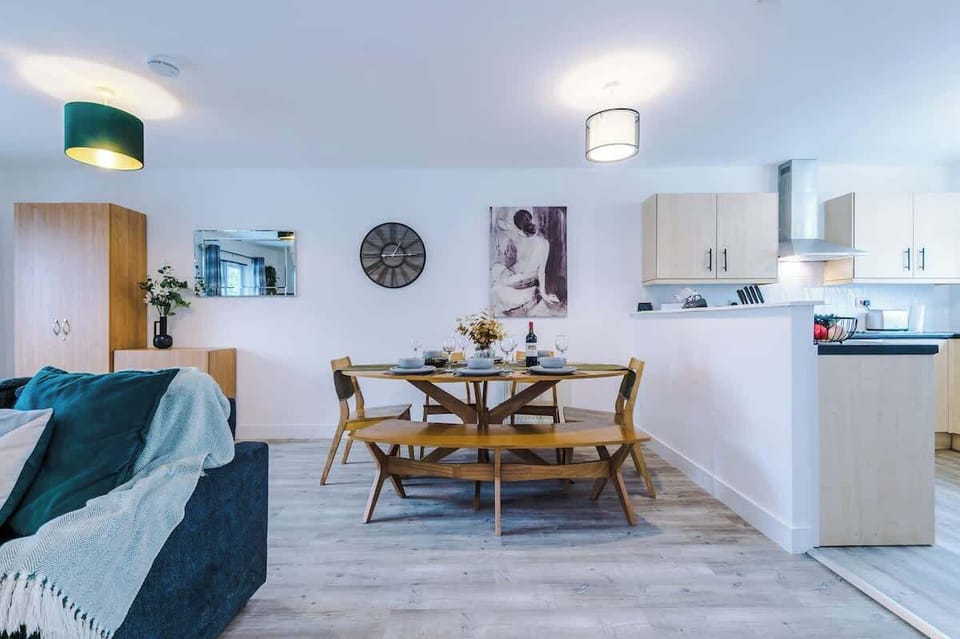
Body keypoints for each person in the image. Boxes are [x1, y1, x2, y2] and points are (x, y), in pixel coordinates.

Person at [491, 209, 561, 316]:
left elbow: (510, 266)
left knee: (496, 280)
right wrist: (543, 294)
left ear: (518, 226)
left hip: (516, 291)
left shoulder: (513, 241)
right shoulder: (544, 243)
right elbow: (541, 272)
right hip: (528, 289)